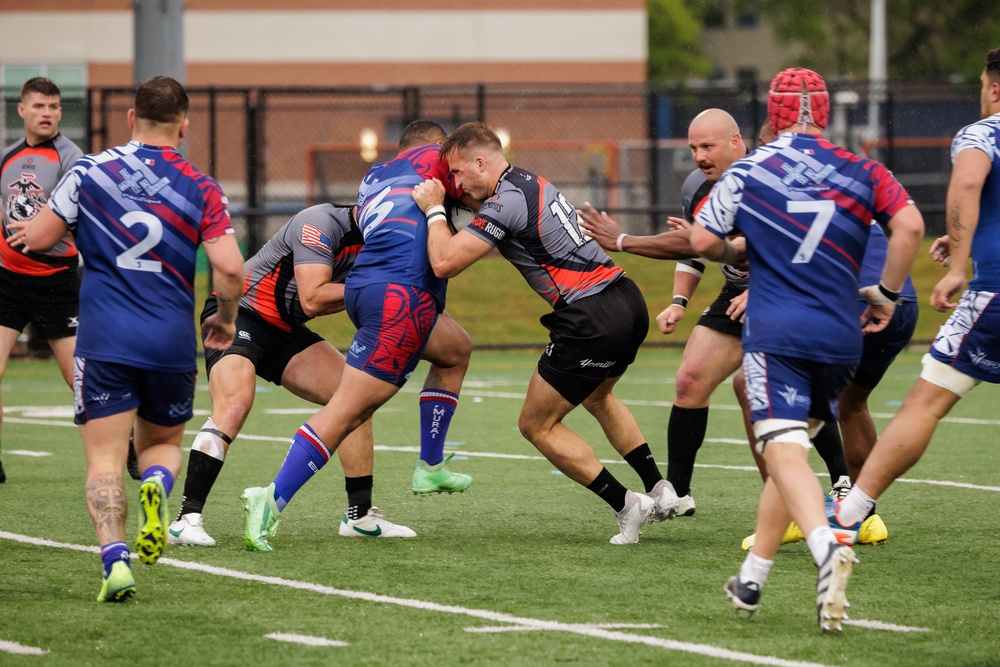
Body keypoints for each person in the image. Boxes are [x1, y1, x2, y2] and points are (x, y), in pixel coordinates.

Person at [690, 68, 923, 632]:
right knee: (793, 450)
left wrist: (743, 243)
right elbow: (911, 226)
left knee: (784, 455)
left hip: (778, 333)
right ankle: (752, 576)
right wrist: (885, 294)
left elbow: (700, 240)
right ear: (825, 113)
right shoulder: (865, 169)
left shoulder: (749, 169)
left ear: (771, 116)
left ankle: (826, 546)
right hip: (841, 334)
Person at [23, 76, 245, 602]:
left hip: (104, 339)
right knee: (163, 445)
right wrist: (227, 317)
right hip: (169, 341)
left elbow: (38, 238)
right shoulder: (202, 186)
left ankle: (115, 562)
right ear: (184, 126)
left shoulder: (89, 171)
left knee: (102, 462)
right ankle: (157, 489)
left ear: (130, 117)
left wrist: (67, 230)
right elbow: (230, 269)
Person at [411, 121, 681, 545]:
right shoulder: (530, 181)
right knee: (599, 396)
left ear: (480, 162)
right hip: (628, 300)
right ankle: (660, 487)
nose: (456, 184)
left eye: (459, 173)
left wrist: (433, 209)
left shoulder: (507, 199)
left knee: (536, 424)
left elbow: (445, 262)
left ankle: (626, 505)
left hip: (591, 316)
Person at [169, 199, 474, 545]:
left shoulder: (389, 238)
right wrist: (381, 292)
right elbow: (313, 297)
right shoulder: (320, 221)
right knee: (235, 404)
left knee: (355, 398)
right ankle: (186, 518)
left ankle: (359, 515)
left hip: (286, 329)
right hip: (240, 313)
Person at [240, 120, 473, 551]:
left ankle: (430, 463)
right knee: (346, 410)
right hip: (398, 296)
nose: (457, 170)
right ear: (440, 149)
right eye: (452, 159)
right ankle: (271, 498)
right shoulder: (438, 163)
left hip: (374, 289)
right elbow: (481, 192)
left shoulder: (375, 178)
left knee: (455, 348)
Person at [831, 47, 1000, 542]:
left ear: (994, 87)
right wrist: (968, 237)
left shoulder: (983, 131)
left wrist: (959, 266)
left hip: (995, 294)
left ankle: (850, 512)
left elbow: (969, 181)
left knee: (924, 403)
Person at [0, 77, 83, 483]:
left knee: (79, 377)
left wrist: (41, 227)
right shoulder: (7, 157)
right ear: (22, 111)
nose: (46, 113)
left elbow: (73, 215)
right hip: (8, 281)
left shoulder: (72, 158)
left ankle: (130, 446)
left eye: (53, 106)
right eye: (38, 107)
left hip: (56, 283)